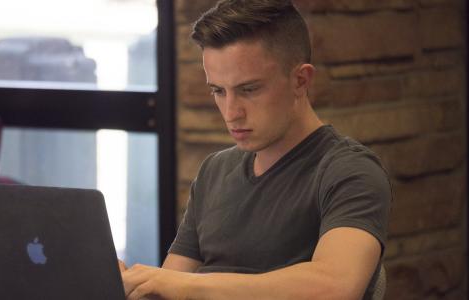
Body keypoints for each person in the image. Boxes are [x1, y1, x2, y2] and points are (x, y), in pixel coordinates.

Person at [121, 0, 391, 299]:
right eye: (218, 91)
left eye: (248, 89)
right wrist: (132, 284)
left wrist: (190, 285)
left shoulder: (349, 172)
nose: (231, 112)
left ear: (300, 81)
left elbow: (336, 286)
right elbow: (169, 285)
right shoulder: (215, 171)